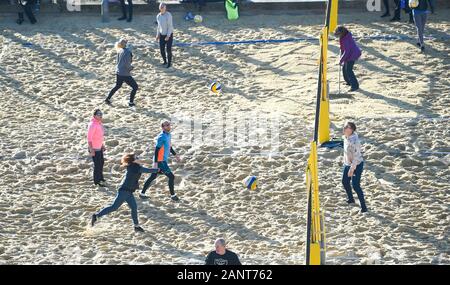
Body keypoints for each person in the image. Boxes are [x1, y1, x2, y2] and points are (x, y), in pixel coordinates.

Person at [91, 153, 158, 232]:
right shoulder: (135, 167)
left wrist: (158, 171)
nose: (139, 157)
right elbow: (148, 170)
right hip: (124, 191)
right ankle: (96, 215)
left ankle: (136, 226)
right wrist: (159, 170)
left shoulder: (135, 167)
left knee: (133, 208)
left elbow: (146, 170)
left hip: (128, 192)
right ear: (133, 161)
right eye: (137, 157)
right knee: (114, 207)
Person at [139, 120, 181, 201]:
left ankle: (142, 193)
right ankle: (173, 195)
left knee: (153, 176)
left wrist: (176, 155)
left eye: (169, 124)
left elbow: (169, 147)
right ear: (163, 127)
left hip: (162, 160)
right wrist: (155, 163)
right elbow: (157, 150)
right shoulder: (161, 137)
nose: (168, 126)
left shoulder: (168, 135)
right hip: (160, 161)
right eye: (166, 125)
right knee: (171, 177)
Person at [342, 122, 367, 213]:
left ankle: (364, 207)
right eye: (345, 128)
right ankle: (351, 199)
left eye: (348, 128)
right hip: (347, 164)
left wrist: (352, 169)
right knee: (345, 181)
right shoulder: (345, 137)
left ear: (352, 130)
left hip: (357, 164)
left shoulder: (355, 141)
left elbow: (356, 157)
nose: (346, 130)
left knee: (356, 186)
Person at [105, 38, 138, 107]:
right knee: (135, 87)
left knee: (117, 86)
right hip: (124, 73)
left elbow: (118, 62)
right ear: (125, 44)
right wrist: (131, 68)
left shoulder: (120, 50)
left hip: (118, 72)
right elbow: (127, 64)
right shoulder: (128, 52)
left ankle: (107, 99)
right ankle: (131, 102)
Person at [334, 26, 361, 92]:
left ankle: (355, 86)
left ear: (342, 33)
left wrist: (341, 60)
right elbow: (344, 48)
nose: (338, 36)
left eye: (338, 34)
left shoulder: (346, 39)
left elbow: (347, 51)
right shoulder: (344, 36)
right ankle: (349, 82)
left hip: (352, 55)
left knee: (349, 70)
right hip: (349, 53)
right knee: (344, 69)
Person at [87, 109, 106, 187]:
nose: (100, 115)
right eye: (98, 114)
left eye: (101, 114)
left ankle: (100, 178)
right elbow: (89, 138)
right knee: (97, 165)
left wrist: (102, 145)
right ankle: (96, 181)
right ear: (94, 116)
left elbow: (100, 136)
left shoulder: (99, 123)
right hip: (94, 148)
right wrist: (91, 149)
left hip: (99, 146)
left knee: (101, 163)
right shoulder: (92, 124)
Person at [156, 3, 174, 68]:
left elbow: (170, 26)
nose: (163, 8)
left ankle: (169, 63)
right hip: (162, 35)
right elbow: (158, 26)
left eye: (163, 7)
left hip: (169, 35)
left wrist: (168, 36)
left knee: (168, 50)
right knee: (162, 50)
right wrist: (157, 34)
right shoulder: (158, 16)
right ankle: (165, 61)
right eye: (161, 7)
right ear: (159, 8)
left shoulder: (168, 15)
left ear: (165, 8)